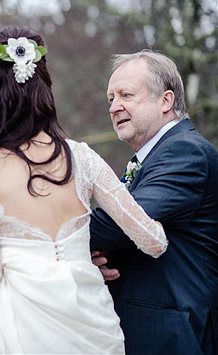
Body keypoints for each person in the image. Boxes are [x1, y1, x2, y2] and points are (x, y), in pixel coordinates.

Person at [0, 26, 168, 354]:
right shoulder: (82, 157)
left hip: (22, 330)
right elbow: (153, 242)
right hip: (93, 326)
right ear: (43, 86)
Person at [90, 50, 218, 355]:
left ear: (166, 100)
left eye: (126, 95)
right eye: (111, 98)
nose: (114, 106)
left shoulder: (184, 152)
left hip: (173, 334)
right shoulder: (155, 156)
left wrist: (45, 228)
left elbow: (124, 224)